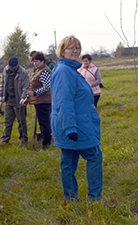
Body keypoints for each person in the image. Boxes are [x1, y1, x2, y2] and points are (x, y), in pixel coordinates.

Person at [51, 35, 103, 202]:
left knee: (69, 161)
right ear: (62, 50)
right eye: (70, 48)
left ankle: (72, 199)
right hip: (76, 126)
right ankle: (95, 199)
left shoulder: (70, 70)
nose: (75, 51)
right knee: (94, 157)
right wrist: (71, 129)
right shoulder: (65, 72)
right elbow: (63, 102)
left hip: (73, 124)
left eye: (77, 48)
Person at [23, 52, 52, 149]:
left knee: (44, 123)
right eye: (34, 62)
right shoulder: (38, 70)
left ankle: (46, 143)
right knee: (42, 122)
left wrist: (34, 94)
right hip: (38, 101)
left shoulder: (44, 71)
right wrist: (28, 98)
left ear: (42, 61)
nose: (35, 64)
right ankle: (45, 141)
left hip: (43, 101)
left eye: (37, 61)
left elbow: (47, 87)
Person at [0, 57, 29, 145]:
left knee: (21, 121)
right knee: (7, 121)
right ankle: (5, 140)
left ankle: (24, 140)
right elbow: (2, 84)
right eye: (11, 67)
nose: (12, 69)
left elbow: (25, 87)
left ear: (18, 64)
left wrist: (23, 98)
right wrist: (1, 96)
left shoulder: (23, 73)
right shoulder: (6, 70)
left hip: (19, 100)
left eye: (14, 67)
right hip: (8, 100)